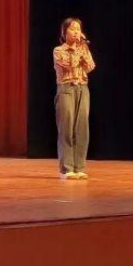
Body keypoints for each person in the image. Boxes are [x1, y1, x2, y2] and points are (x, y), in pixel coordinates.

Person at [53, 17, 96, 180]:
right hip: (66, 89)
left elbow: (90, 66)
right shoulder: (59, 50)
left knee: (82, 128)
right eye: (73, 29)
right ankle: (67, 168)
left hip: (82, 88)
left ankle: (79, 167)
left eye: (78, 29)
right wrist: (79, 49)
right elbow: (71, 64)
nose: (76, 32)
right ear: (65, 32)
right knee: (67, 128)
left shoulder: (83, 48)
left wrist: (83, 47)